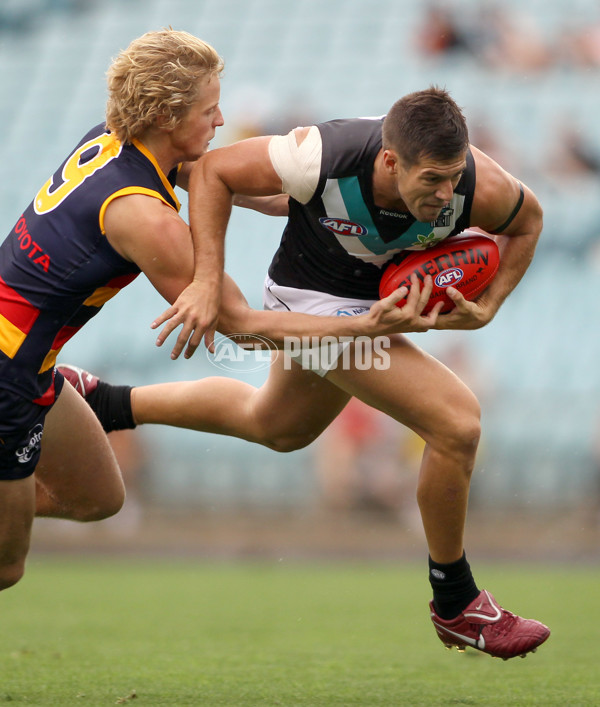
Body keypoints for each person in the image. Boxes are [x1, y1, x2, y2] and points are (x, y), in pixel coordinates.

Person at [73, 87, 550, 659]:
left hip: (369, 304)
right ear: (391, 160)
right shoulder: (323, 153)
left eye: (454, 176)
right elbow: (215, 172)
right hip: (310, 303)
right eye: (432, 181)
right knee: (458, 424)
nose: (447, 193)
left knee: (277, 426)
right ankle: (457, 603)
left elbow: (530, 222)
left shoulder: (480, 184)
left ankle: (101, 401)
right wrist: (204, 279)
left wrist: (490, 306)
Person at [0, 28, 443, 595]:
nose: (220, 119)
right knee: (7, 567)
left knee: (98, 498)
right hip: (9, 376)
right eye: (209, 110)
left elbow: (248, 189)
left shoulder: (113, 143)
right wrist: (363, 327)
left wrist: (337, 197)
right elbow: (242, 327)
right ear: (166, 117)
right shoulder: (145, 218)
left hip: (31, 363)